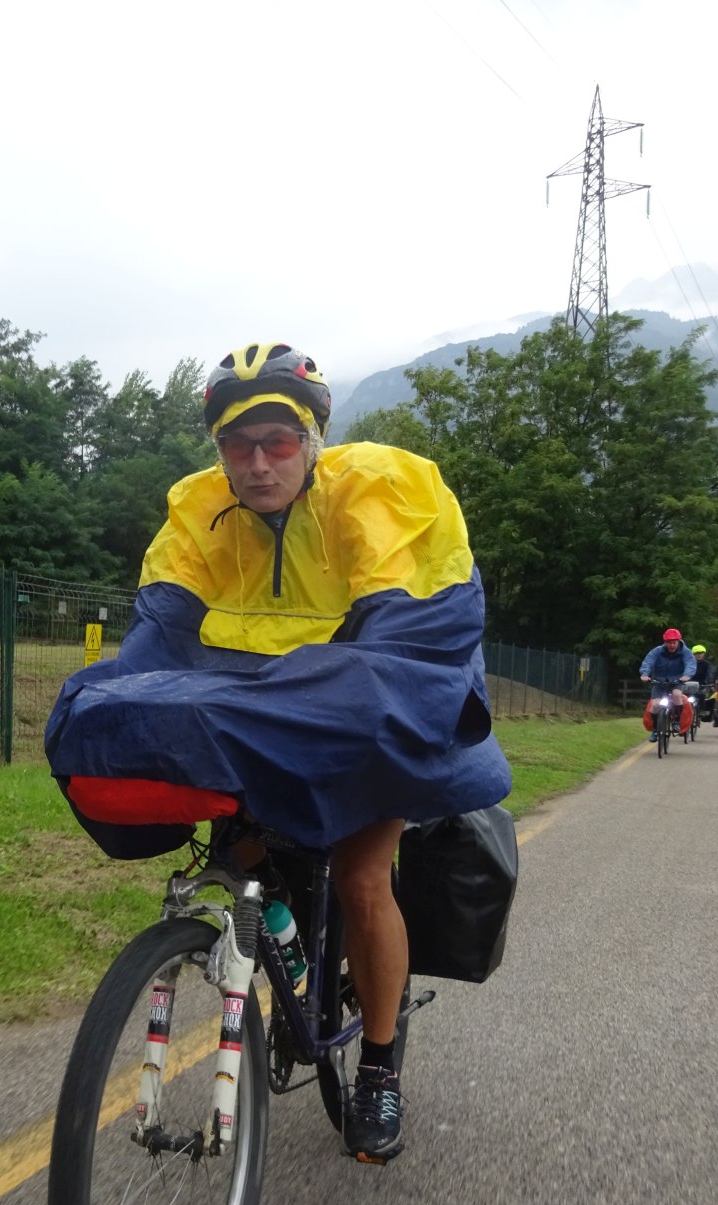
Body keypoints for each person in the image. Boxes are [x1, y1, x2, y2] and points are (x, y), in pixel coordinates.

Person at [46, 341, 511, 1162]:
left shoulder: (373, 489)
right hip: (260, 715)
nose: (258, 464)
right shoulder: (199, 508)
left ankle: (377, 1066)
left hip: (363, 710)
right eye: (237, 445)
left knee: (363, 878)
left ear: (312, 438)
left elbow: (402, 637)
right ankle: (286, 952)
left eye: (277, 441)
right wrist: (130, 708)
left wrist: (340, 702)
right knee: (244, 857)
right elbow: (159, 639)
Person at [640, 629, 696, 738]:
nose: (672, 645)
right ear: (665, 642)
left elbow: (690, 664)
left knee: (677, 695)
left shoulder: (685, 652)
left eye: (674, 642)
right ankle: (655, 730)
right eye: (669, 643)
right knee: (655, 705)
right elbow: (647, 662)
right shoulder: (657, 651)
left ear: (678, 641)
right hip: (659, 682)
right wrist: (644, 674)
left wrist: (687, 675)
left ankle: (676, 722)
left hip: (677, 681)